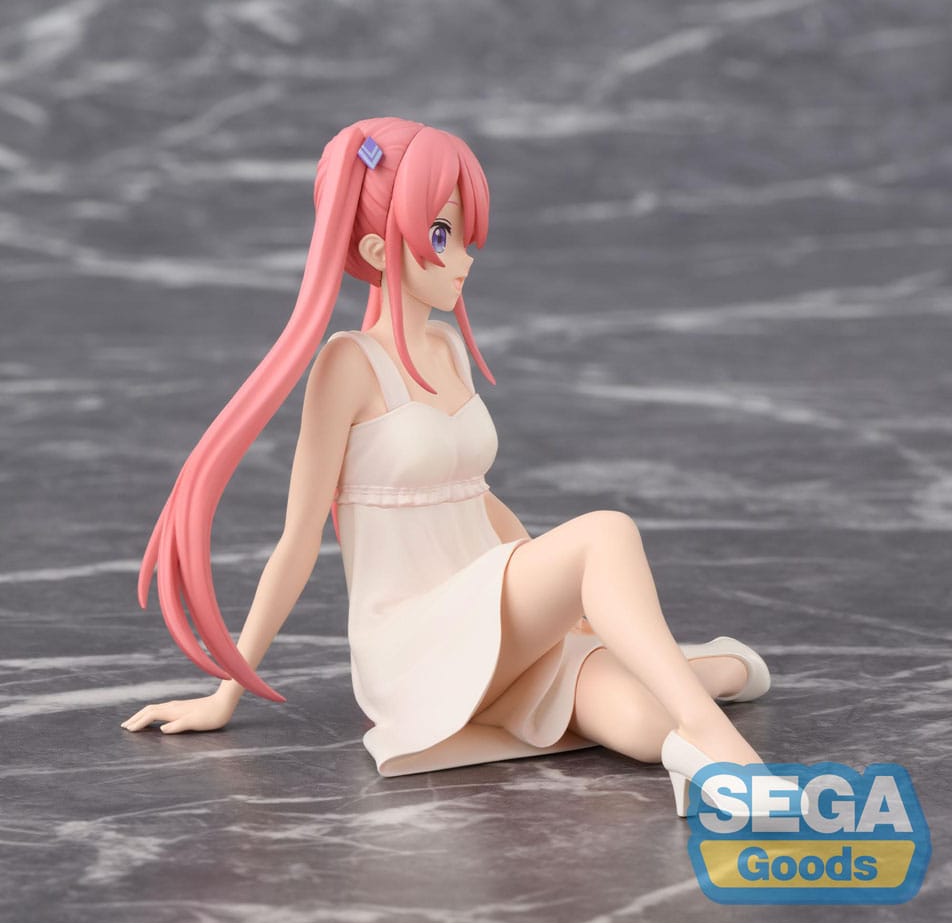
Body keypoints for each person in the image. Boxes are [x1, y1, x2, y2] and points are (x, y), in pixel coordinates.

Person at [121, 117, 772, 814]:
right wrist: (226, 693)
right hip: (417, 641)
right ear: (378, 247)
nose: (463, 258)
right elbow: (298, 539)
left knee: (649, 727)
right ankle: (716, 743)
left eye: (463, 236)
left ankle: (703, 680)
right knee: (607, 532)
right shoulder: (348, 364)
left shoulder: (448, 348)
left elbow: (474, 496)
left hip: (493, 621)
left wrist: (563, 596)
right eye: (440, 235)